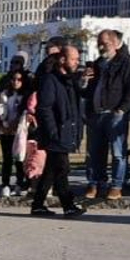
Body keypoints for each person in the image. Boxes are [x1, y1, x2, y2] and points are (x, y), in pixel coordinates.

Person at [80, 29, 130, 200]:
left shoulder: (125, 63)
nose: (100, 47)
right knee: (94, 152)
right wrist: (84, 80)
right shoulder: (96, 65)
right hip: (95, 114)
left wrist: (121, 109)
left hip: (115, 114)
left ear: (114, 44)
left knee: (118, 152)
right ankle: (94, 183)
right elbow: (86, 92)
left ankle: (116, 185)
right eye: (99, 43)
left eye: (104, 43)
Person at [31, 45, 87, 218]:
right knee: (62, 169)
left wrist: (83, 82)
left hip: (66, 132)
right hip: (55, 134)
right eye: (73, 59)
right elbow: (44, 108)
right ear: (62, 60)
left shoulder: (69, 80)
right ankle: (68, 205)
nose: (77, 62)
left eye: (78, 59)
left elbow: (76, 103)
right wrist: (53, 132)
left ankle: (38, 205)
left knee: (51, 171)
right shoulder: (50, 80)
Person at [0, 68, 31, 198]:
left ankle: (19, 183)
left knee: (20, 159)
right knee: (7, 159)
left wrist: (15, 125)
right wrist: (1, 124)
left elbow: (25, 113)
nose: (16, 82)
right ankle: (5, 184)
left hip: (20, 132)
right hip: (6, 131)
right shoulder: (5, 94)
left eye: (19, 79)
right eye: (13, 79)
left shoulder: (26, 95)